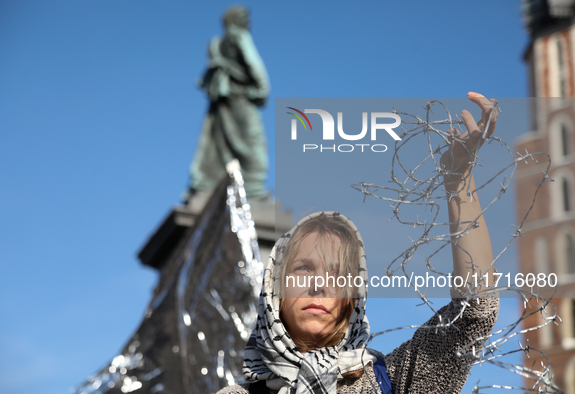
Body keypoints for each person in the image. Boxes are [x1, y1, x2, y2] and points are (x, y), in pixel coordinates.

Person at [217, 93, 500, 394]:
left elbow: (473, 313)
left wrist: (459, 179)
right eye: (303, 268)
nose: (319, 285)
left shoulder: (391, 381)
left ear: (352, 298)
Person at [187, 6, 270, 201]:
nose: (248, 22)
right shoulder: (239, 37)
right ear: (235, 20)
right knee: (253, 146)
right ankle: (254, 190)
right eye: (244, 18)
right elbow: (254, 64)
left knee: (220, 145)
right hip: (241, 99)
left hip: (223, 102)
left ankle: (215, 188)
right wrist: (261, 89)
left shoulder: (216, 44)